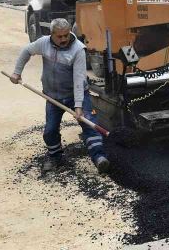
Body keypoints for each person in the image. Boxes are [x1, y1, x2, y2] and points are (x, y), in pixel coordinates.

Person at [10, 18, 110, 173]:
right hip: (53, 97)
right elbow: (26, 51)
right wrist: (17, 72)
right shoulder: (43, 43)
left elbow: (78, 79)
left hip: (76, 94)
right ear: (52, 35)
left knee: (89, 123)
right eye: (60, 36)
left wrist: (78, 106)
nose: (64, 39)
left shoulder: (78, 49)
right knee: (50, 131)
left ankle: (99, 158)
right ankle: (56, 157)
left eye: (66, 35)